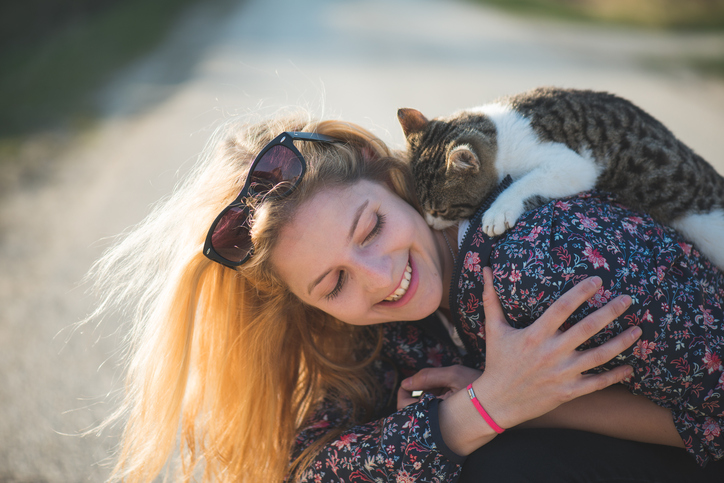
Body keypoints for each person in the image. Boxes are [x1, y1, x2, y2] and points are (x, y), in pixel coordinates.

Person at [87, 111, 723, 482]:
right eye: (333, 283)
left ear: (389, 176)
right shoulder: (382, 325)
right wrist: (477, 409)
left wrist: (520, 404)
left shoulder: (540, 262)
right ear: (308, 303)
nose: (379, 277)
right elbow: (315, 471)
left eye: (372, 228)